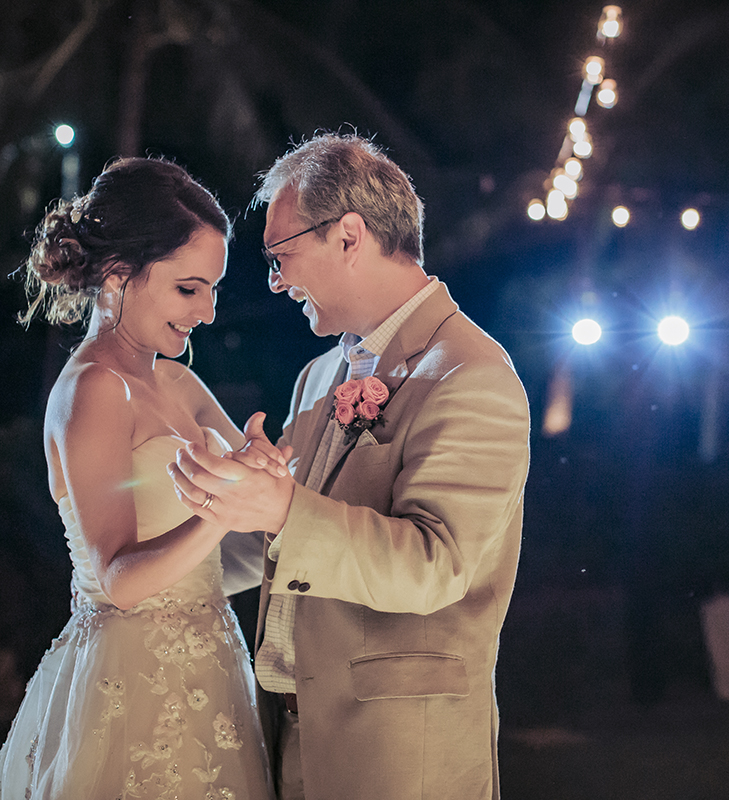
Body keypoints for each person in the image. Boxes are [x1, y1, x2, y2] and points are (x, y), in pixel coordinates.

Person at [169, 133, 531, 800]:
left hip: (398, 754)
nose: (276, 283)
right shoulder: (316, 377)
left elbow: (435, 565)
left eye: (282, 258)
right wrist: (223, 510)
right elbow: (291, 546)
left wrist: (282, 508)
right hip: (289, 737)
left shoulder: (470, 374)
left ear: (348, 236)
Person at [0, 157, 276, 800]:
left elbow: (256, 497)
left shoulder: (175, 378)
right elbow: (119, 580)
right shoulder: (92, 390)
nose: (206, 313)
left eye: (213, 290)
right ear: (120, 276)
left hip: (215, 659)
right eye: (188, 289)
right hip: (132, 679)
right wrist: (221, 509)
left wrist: (264, 467)